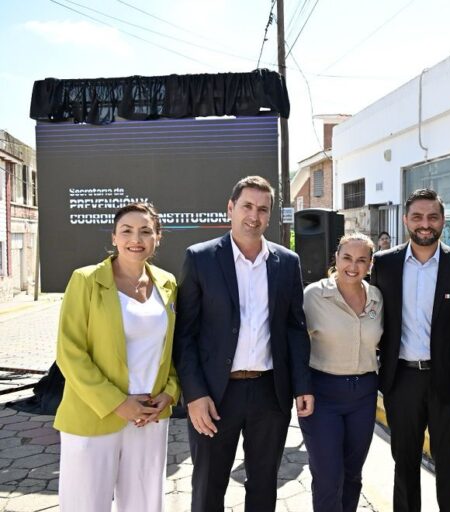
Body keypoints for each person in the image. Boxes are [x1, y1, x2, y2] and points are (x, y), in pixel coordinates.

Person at [173, 175, 314, 511]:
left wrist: (302, 385)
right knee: (208, 488)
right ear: (231, 208)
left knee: (264, 486)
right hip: (215, 394)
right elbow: (185, 335)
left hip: (270, 393)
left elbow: (296, 328)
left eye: (263, 209)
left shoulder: (287, 262)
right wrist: (194, 395)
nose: (255, 215)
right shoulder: (200, 258)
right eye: (248, 206)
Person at [55, 203, 179, 512]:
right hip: (94, 415)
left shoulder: (168, 284)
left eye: (146, 231)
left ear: (158, 238)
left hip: (149, 416)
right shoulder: (85, 280)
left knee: (145, 505)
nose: (135, 238)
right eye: (126, 231)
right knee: (86, 505)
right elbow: (69, 353)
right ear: (114, 237)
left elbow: (173, 350)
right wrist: (118, 403)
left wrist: (170, 393)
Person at [371, 188, 450, 512]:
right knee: (404, 463)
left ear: (443, 221)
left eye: (433, 217)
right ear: (406, 220)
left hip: (449, 383)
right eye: (417, 217)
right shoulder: (384, 264)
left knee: (448, 465)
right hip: (401, 381)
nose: (425, 224)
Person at [300, 233, 384, 512]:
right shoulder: (314, 295)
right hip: (323, 395)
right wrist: (300, 388)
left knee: (353, 474)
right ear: (335, 258)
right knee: (327, 477)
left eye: (362, 260)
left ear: (370, 264)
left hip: (364, 394)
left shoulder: (376, 297)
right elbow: (295, 345)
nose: (353, 266)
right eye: (347, 257)